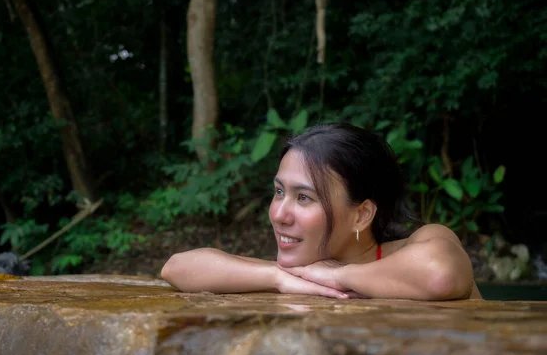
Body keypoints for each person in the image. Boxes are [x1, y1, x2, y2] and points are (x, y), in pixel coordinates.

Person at [161, 123, 482, 301]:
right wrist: (276, 277)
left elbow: (441, 274)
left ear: (362, 214)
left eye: (303, 198)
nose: (279, 214)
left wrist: (336, 276)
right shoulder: (303, 270)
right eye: (279, 192)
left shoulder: (422, 243)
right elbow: (177, 267)